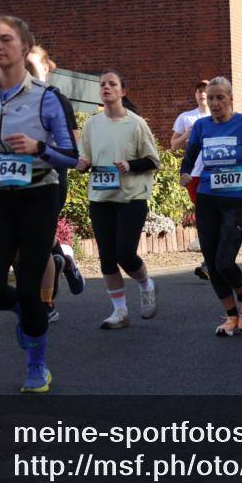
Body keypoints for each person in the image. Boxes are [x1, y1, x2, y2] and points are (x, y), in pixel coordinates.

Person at [0, 15, 78, 393]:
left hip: (38, 196)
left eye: (5, 39)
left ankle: (37, 366)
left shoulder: (48, 98)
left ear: (24, 47)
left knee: (29, 285)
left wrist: (39, 148)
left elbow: (71, 156)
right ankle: (23, 311)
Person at [181, 76, 242, 336]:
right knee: (212, 264)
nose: (215, 103)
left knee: (224, 261)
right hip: (206, 199)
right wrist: (185, 173)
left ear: (230, 99)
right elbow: (190, 156)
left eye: (220, 98)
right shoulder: (201, 126)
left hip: (237, 201)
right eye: (211, 98)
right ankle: (231, 316)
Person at [76, 69, 161, 329]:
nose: (106, 87)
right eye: (102, 84)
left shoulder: (136, 123)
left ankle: (146, 284)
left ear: (123, 91)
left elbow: (153, 161)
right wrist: (82, 164)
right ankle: (120, 311)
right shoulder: (92, 125)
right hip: (100, 198)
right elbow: (86, 158)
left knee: (124, 254)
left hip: (131, 198)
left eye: (112, 84)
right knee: (106, 258)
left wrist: (129, 164)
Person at [26, 46, 85, 322]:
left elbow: (72, 145)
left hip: (50, 177)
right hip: (19, 179)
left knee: (38, 234)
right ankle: (63, 259)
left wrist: (42, 150)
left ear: (45, 70)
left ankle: (45, 303)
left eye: (31, 67)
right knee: (28, 236)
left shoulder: (56, 99)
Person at [171, 79, 212, 280]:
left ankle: (212, 262)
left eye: (205, 90)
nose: (202, 93)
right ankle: (210, 261)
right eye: (199, 91)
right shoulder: (186, 117)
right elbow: (173, 146)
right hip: (195, 174)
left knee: (215, 217)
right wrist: (186, 134)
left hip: (217, 173)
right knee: (204, 217)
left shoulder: (220, 117)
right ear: (195, 95)